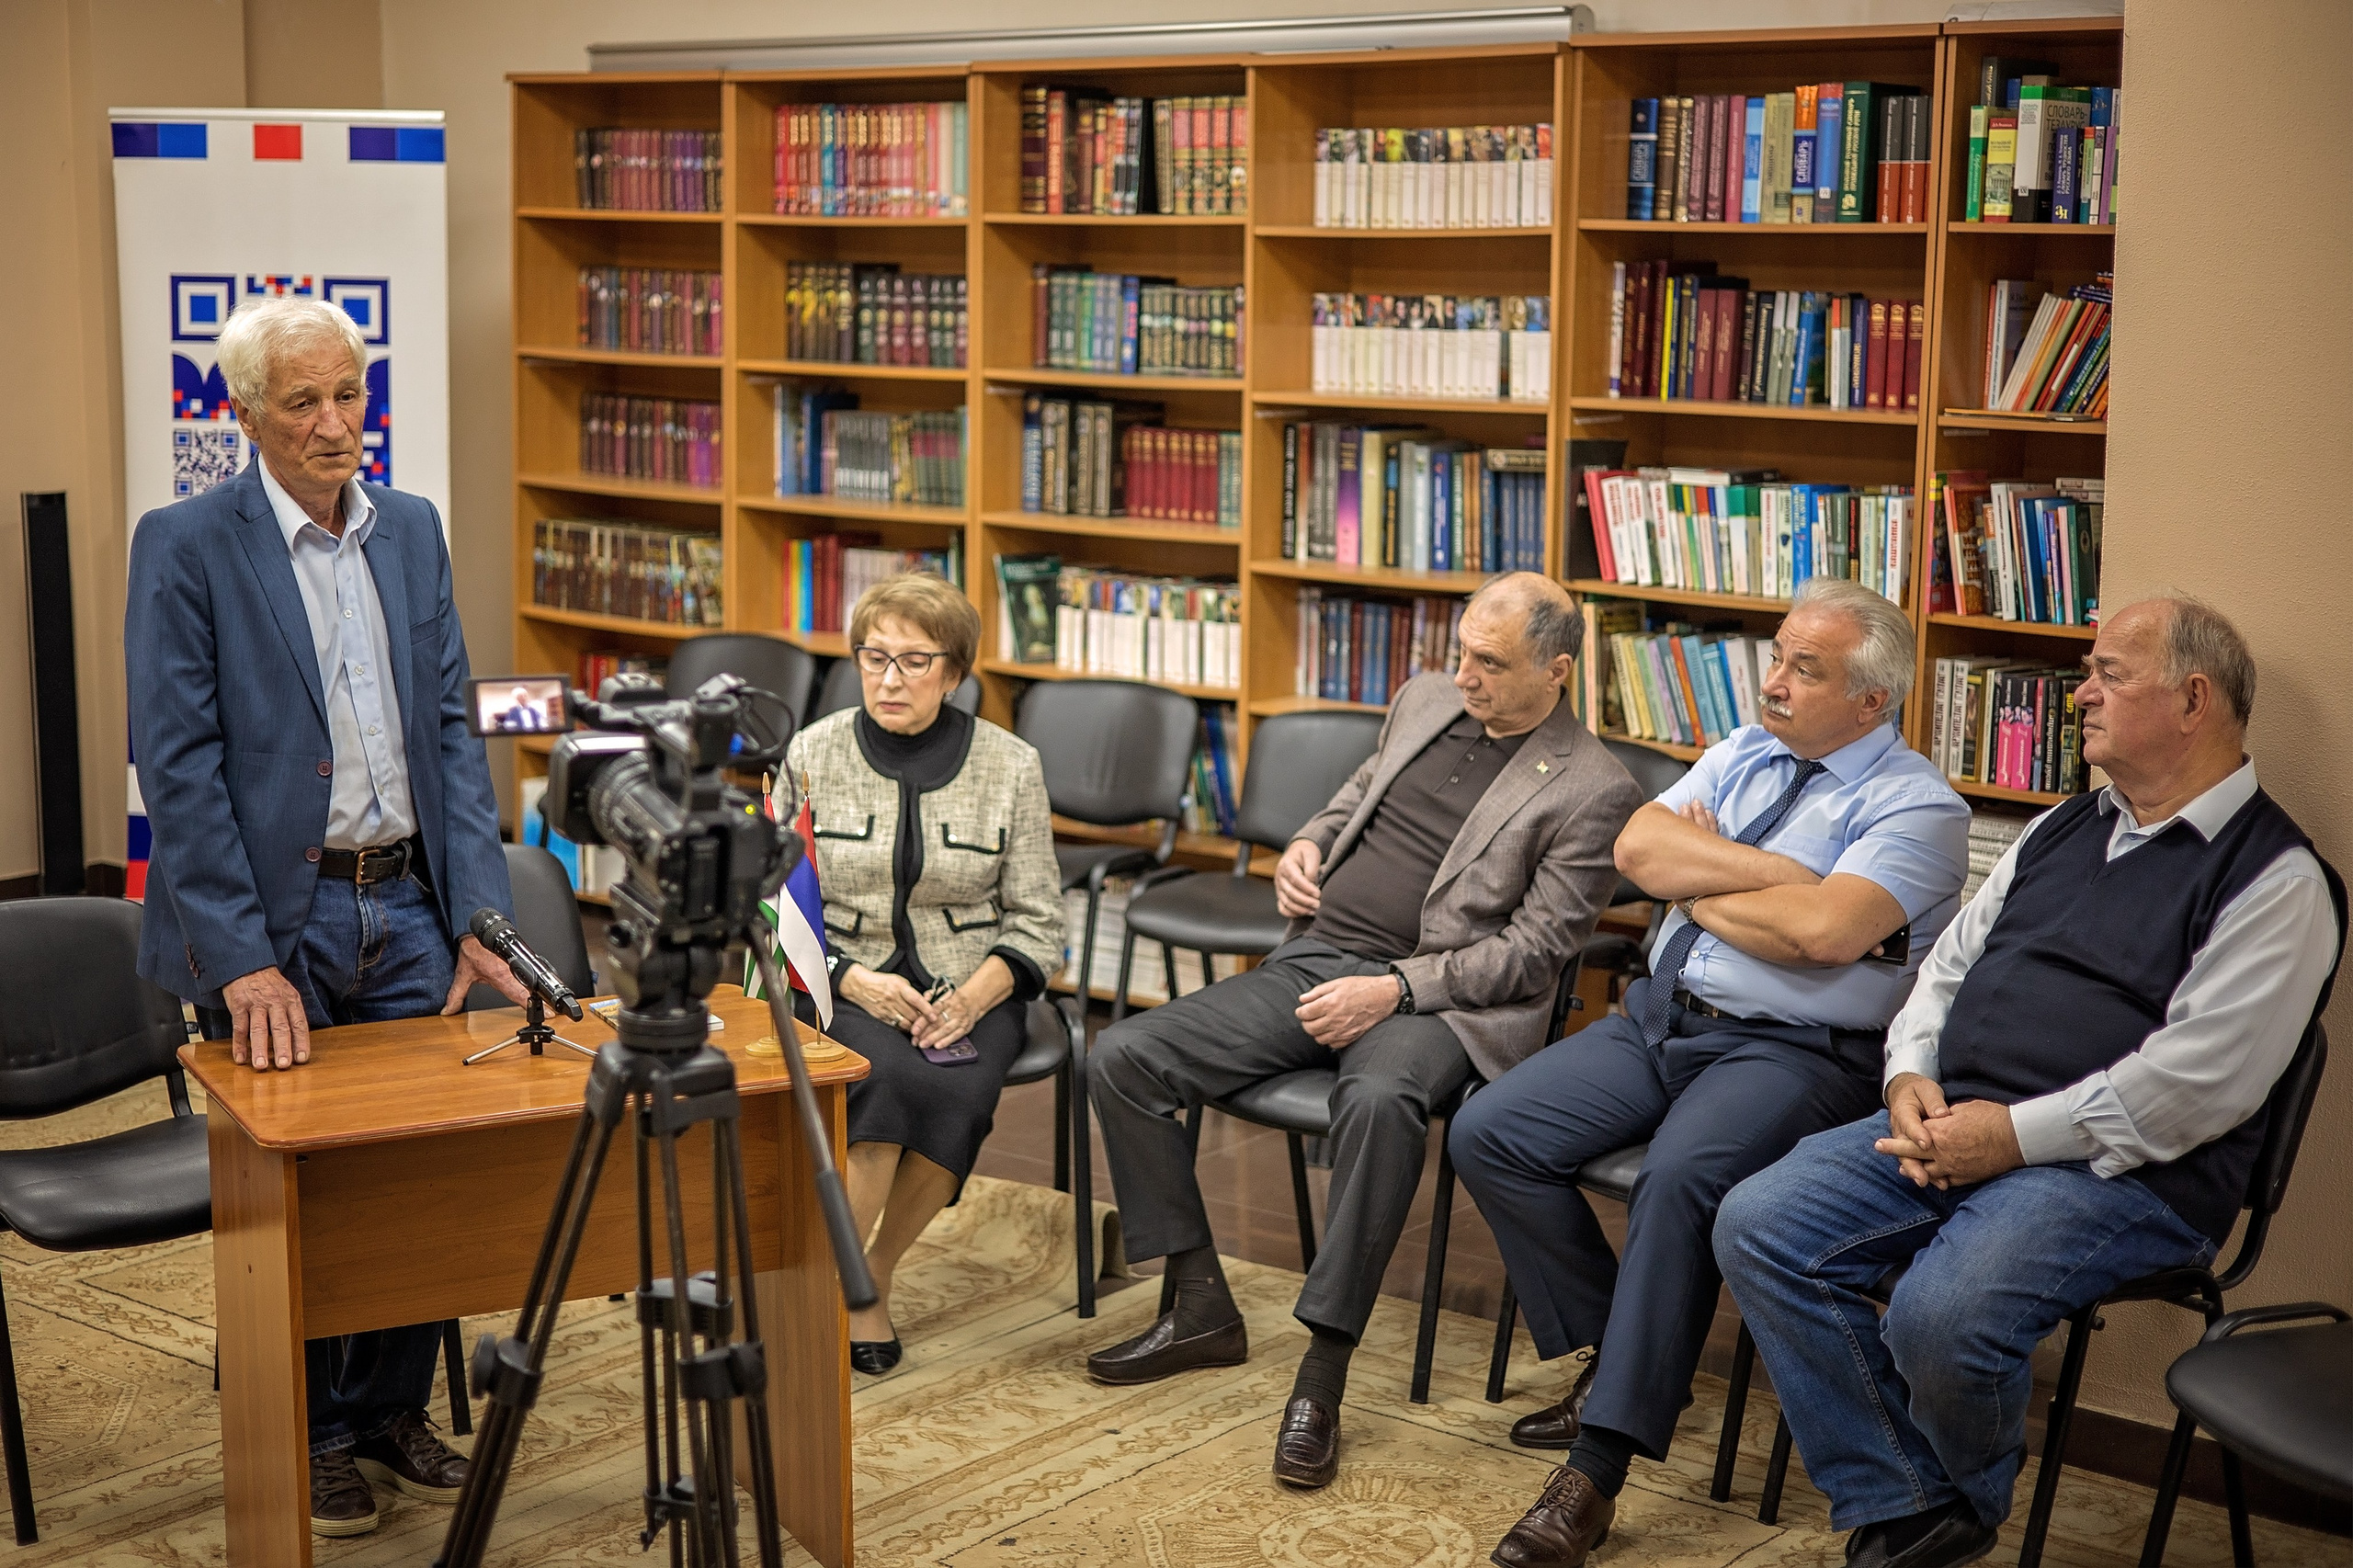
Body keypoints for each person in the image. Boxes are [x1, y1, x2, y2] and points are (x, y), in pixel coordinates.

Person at [1714, 597, 2345, 1568]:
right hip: (1953, 1123)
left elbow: (2193, 1087)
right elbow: (1946, 971)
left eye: (2107, 675)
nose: (2079, 694)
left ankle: (1945, 1505)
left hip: (2123, 1174)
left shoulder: (2278, 880)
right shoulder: (2060, 826)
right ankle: (1915, 1503)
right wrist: (1909, 1074)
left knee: (1941, 1314)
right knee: (1758, 1221)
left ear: (2193, 700)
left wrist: (2008, 1137)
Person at [1085, 574, 1644, 1491]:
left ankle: (1322, 1375)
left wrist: (1393, 988)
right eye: (1460, 651)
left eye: (1489, 662)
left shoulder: (1593, 787)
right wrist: (1308, 843)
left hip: (1441, 1001)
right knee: (1124, 1055)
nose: (1463, 674)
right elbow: (1353, 799)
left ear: (1557, 669)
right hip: (1318, 956)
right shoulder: (1423, 698)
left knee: (1378, 1101)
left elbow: (1536, 954)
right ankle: (1198, 1305)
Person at [1459, 577, 1971, 1568]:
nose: (1772, 681)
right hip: (1661, 1018)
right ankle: (1624, 1360)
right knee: (1491, 1132)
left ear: (1870, 699)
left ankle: (1596, 1467)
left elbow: (1824, 936)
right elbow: (1637, 849)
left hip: (1794, 1051)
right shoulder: (1744, 748)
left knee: (1681, 1179)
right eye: (1776, 657)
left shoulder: (1920, 808)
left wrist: (1700, 881)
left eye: (1802, 669)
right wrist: (1776, 879)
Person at [125, 296, 528, 1539]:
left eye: (349, 394)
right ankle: (307, 1428)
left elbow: (451, 730)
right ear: (247, 415)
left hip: (405, 904)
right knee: (297, 1194)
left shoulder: (411, 528)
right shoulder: (187, 543)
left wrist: (480, 912)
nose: (334, 422)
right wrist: (239, 960)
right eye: (302, 401)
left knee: (417, 1179)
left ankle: (389, 1405)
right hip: (274, 922)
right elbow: (178, 767)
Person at [784, 573, 1063, 1374]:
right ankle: (830, 1289)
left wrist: (974, 998)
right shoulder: (812, 751)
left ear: (954, 672)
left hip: (970, 985)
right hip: (839, 978)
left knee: (958, 1095)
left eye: (914, 661)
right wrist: (851, 979)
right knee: (884, 1079)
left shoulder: (1011, 766)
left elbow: (1041, 921)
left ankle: (875, 1272)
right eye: (874, 657)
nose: (889, 679)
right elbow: (776, 910)